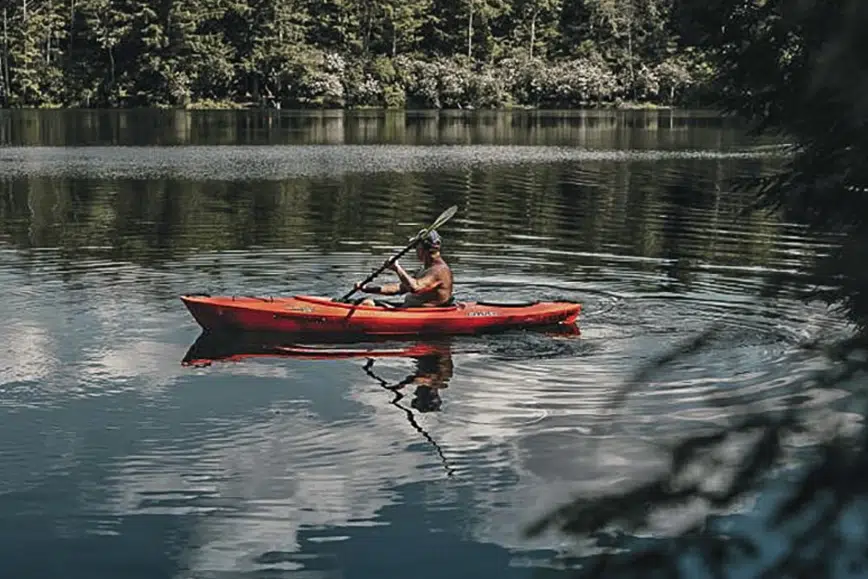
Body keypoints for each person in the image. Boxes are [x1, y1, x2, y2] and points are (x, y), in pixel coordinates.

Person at [353, 230, 453, 308]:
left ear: (422, 249)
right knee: (362, 301)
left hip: (420, 314)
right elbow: (400, 288)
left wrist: (397, 268)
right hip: (409, 309)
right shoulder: (426, 268)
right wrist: (367, 288)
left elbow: (415, 288)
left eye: (416, 246)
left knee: (367, 304)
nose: (415, 250)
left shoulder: (439, 271)